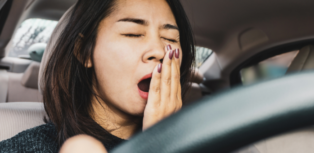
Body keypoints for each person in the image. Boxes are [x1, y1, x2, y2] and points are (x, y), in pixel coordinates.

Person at [0, 0, 195, 152]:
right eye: (133, 33)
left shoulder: (205, 139)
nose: (159, 51)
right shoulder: (32, 147)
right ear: (85, 51)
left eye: (170, 39)